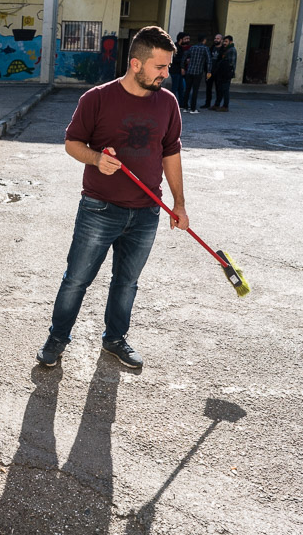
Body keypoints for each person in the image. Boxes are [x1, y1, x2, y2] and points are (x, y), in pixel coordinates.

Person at [36, 25, 190, 370]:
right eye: (159, 67)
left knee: (127, 283)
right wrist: (96, 159)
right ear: (136, 64)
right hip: (99, 208)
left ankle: (115, 338)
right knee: (76, 279)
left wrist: (178, 204)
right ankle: (57, 338)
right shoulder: (97, 98)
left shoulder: (168, 103)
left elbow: (171, 153)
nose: (166, 74)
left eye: (167, 67)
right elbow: (72, 143)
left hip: (147, 212)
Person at [181, 34, 212, 114]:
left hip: (190, 71)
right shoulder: (205, 48)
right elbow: (209, 61)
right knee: (195, 90)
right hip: (198, 72)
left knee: (187, 89)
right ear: (204, 40)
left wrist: (183, 67)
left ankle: (185, 107)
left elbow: (184, 57)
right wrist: (209, 71)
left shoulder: (192, 48)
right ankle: (193, 108)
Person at [211, 35, 236, 112]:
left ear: (230, 42)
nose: (224, 43)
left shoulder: (231, 50)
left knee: (225, 90)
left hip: (226, 73)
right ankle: (217, 104)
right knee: (220, 89)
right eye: (224, 41)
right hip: (222, 73)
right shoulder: (225, 49)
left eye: (226, 41)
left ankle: (225, 106)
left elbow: (230, 63)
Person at [169, 32, 190, 110]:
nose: (187, 40)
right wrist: (185, 61)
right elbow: (174, 59)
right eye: (185, 39)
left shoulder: (180, 47)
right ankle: (172, 104)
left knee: (180, 88)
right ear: (181, 39)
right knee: (175, 87)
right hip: (175, 70)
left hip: (178, 71)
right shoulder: (175, 47)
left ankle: (181, 104)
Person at [202, 34, 223, 109]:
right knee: (208, 88)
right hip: (210, 71)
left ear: (221, 40)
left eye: (218, 38)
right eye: (215, 38)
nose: (216, 40)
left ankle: (217, 104)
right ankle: (207, 103)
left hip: (218, 72)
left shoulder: (223, 50)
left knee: (218, 88)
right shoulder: (211, 48)